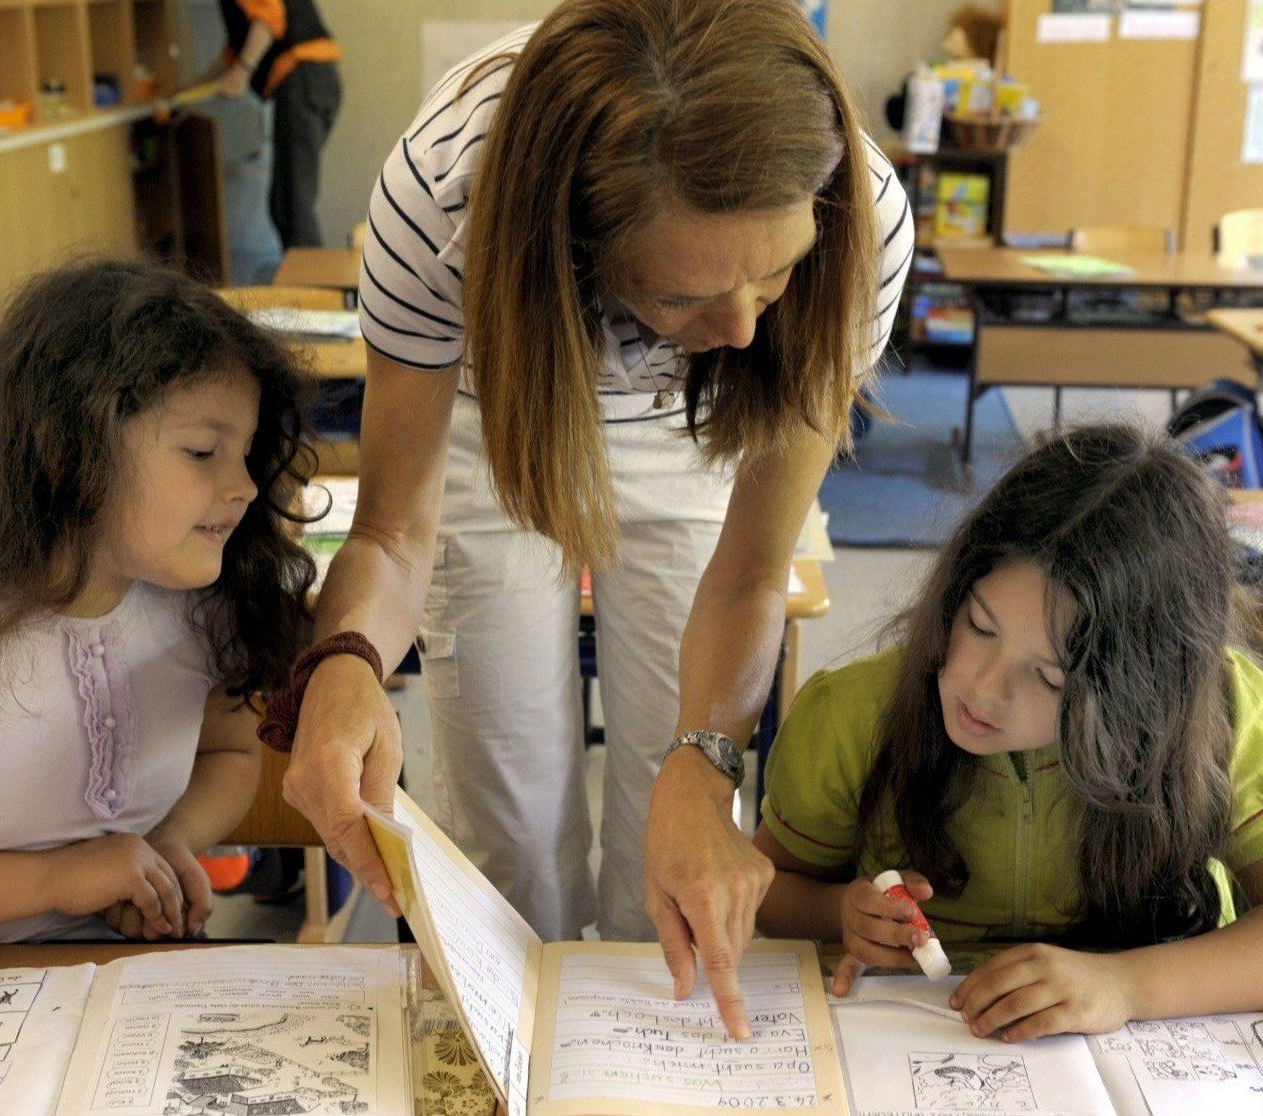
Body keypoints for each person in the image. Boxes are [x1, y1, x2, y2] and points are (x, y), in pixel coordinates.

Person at [265, 0, 913, 1039]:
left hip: (702, 430)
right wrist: (342, 666)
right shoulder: (446, 195)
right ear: (574, 242)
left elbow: (750, 575)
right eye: (684, 293)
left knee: (683, 791)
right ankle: (521, 1046)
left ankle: (640, 1054)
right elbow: (392, 533)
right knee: (506, 801)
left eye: (779, 270)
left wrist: (706, 762)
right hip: (497, 404)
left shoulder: (863, 219)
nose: (747, 326)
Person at [754, 424, 1263, 1041]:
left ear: (1142, 695)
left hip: (1143, 1046)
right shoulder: (856, 711)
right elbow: (768, 892)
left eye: (1050, 677)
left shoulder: (1220, 713)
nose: (982, 687)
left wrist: (1124, 986)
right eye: (979, 625)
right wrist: (841, 913)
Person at [0, 260, 318, 943]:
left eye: (246, 454)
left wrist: (164, 846)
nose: (244, 486)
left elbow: (230, 756)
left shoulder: (200, 602)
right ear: (68, 451)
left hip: (123, 991)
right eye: (203, 451)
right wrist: (55, 881)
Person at [211, 1, 342, 249]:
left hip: (303, 78)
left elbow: (269, 18)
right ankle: (308, 281)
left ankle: (312, 285)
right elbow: (234, 50)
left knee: (292, 206)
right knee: (284, 204)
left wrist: (241, 72)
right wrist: (189, 89)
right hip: (312, 80)